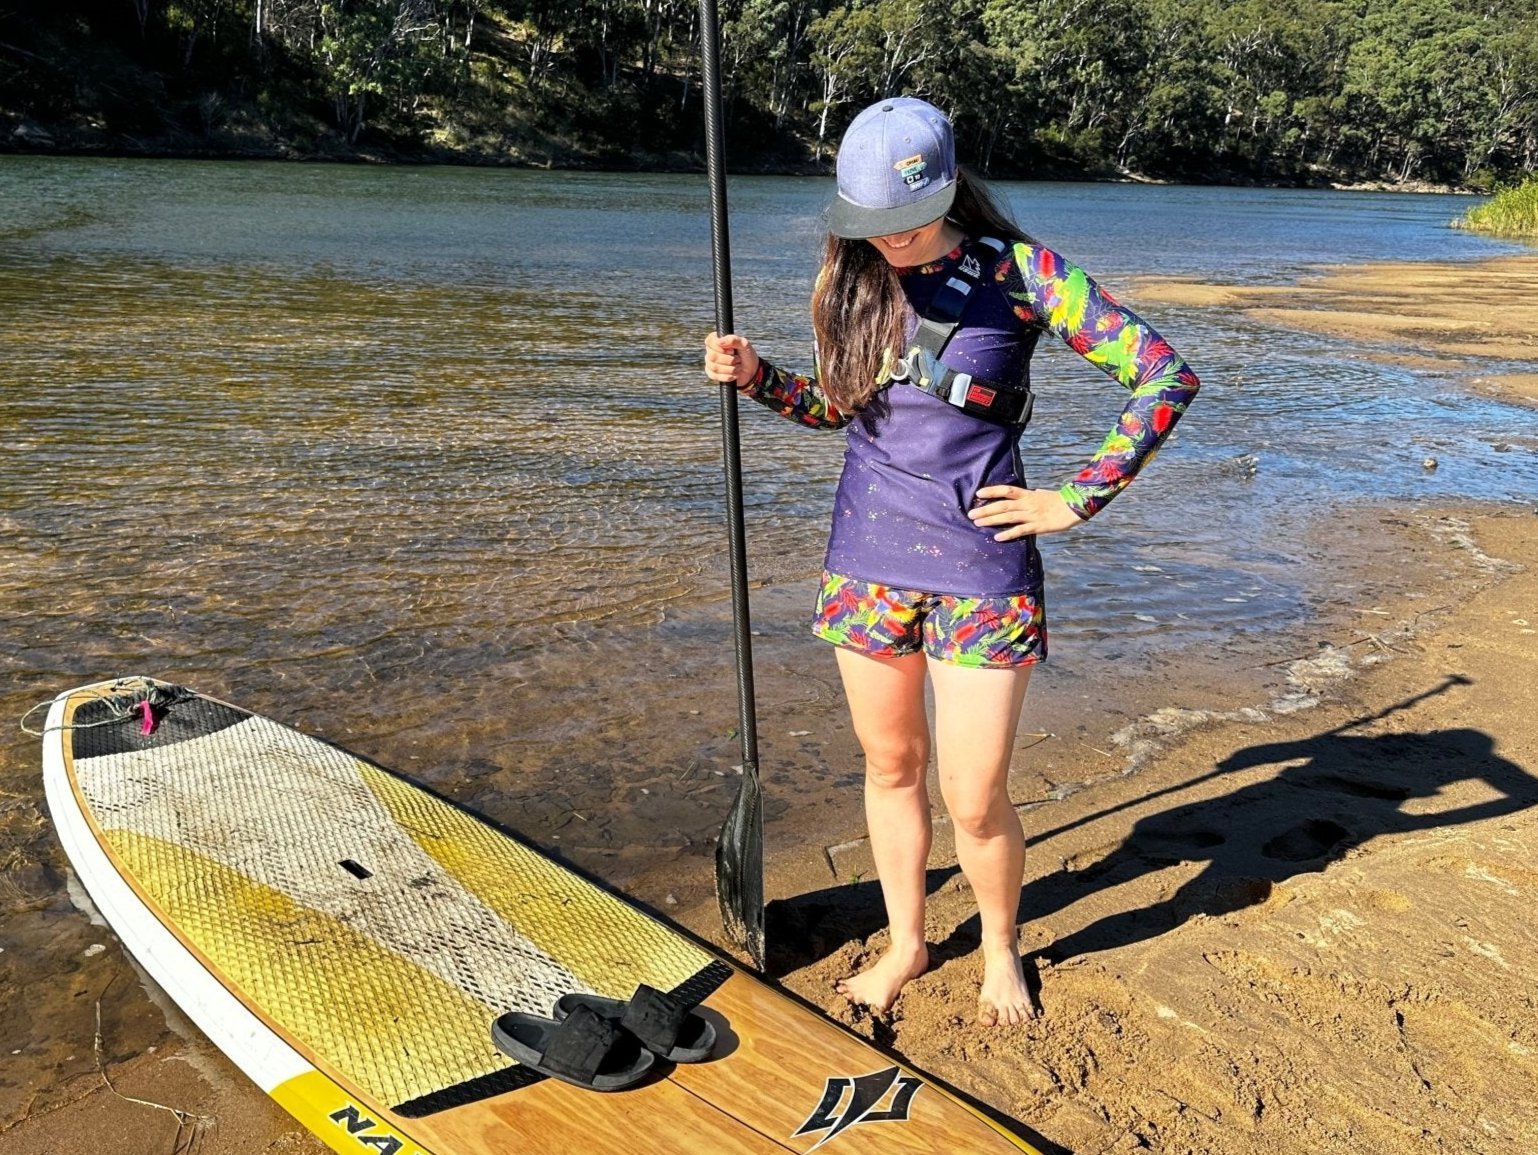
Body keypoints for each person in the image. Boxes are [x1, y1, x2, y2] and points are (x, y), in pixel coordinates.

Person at [703, 97, 1200, 1027]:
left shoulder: (1026, 274)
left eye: (904, 221)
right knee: (890, 766)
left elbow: (1164, 374)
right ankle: (908, 940)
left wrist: (1074, 498)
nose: (888, 241)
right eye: (869, 225)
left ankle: (1002, 943)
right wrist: (758, 376)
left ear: (946, 190)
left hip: (983, 570)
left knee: (973, 798)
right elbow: (838, 410)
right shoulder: (849, 279)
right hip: (865, 562)